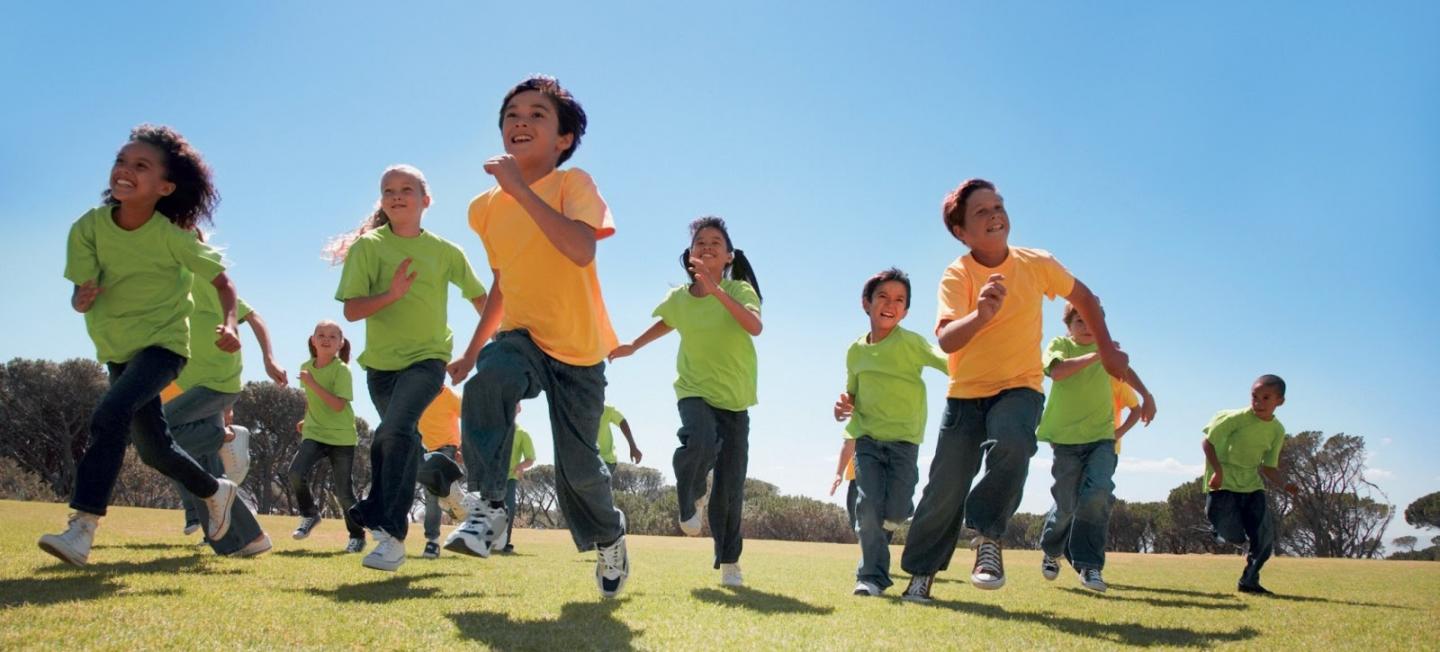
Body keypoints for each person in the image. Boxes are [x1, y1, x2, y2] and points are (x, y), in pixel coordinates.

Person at [900, 178, 1140, 603]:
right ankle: (921, 574)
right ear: (961, 231)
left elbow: (1084, 296)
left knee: (1013, 442)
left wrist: (1105, 347)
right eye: (981, 211)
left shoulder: (1036, 263)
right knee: (945, 487)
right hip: (966, 393)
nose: (995, 215)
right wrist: (981, 314)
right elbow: (948, 340)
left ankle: (988, 539)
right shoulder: (958, 274)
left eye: (999, 206)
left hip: (1020, 386)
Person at [443, 75, 630, 598]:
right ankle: (489, 509)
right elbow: (503, 281)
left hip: (578, 349)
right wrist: (472, 350)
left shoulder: (574, 185)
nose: (521, 120)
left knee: (579, 468)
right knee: (489, 380)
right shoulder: (483, 209)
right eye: (512, 114)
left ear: (563, 139)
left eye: (537, 114)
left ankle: (610, 536)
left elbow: (580, 249)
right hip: (522, 334)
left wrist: (521, 191)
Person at [41, 125, 254, 565]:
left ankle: (82, 527)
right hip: (119, 350)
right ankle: (215, 492)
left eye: (141, 165)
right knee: (155, 449)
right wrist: (79, 297)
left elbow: (223, 282)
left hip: (164, 347)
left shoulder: (171, 237)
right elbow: (83, 290)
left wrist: (231, 323)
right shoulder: (88, 228)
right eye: (122, 161)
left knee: (110, 414)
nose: (125, 171)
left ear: (165, 187)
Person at [330, 164, 489, 571]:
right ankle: (443, 480)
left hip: (428, 359)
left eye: (406, 189)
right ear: (381, 200)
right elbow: (351, 310)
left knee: (393, 431)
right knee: (401, 444)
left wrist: (475, 352)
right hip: (381, 369)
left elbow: (481, 300)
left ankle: (389, 535)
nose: (396, 196)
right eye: (388, 191)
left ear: (426, 200)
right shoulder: (369, 248)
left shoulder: (446, 252)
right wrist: (391, 293)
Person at [610, 216, 762, 587]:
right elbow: (667, 322)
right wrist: (632, 345)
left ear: (728, 256)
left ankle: (729, 562)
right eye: (700, 242)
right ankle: (689, 494)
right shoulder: (678, 298)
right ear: (689, 254)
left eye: (715, 242)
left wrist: (716, 290)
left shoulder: (741, 290)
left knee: (729, 489)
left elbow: (754, 326)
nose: (707, 246)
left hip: (735, 402)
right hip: (694, 390)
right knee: (700, 438)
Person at [161, 238, 285, 557]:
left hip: (216, 383)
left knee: (161, 435)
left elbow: (253, 316)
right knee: (199, 469)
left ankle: (222, 438)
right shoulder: (169, 287)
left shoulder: (203, 279)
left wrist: (269, 359)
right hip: (191, 387)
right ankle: (246, 539)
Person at [832, 268, 947, 596]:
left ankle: (892, 520)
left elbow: (949, 363)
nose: (890, 304)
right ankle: (871, 578)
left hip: (905, 442)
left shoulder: (912, 343)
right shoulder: (855, 351)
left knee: (895, 512)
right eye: (882, 296)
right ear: (866, 303)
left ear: (906, 311)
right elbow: (850, 393)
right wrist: (843, 407)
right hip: (867, 439)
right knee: (868, 508)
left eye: (899, 300)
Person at [1037, 302, 1155, 592]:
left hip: (1101, 438)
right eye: (1080, 321)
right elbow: (1057, 372)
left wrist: (1147, 395)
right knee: (1066, 503)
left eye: (1093, 321)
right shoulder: (1060, 344)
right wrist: (1097, 355)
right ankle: (1052, 549)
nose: (1087, 327)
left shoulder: (1108, 353)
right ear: (1068, 326)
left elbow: (1125, 371)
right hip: (1065, 439)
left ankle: (1089, 566)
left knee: (1098, 495)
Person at [1202, 374, 1298, 595]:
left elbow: (1268, 467)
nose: (1259, 402)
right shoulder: (1234, 419)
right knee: (1232, 535)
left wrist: (1285, 485)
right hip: (1223, 484)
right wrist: (1217, 471)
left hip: (1252, 487)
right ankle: (1218, 530)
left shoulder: (1277, 430)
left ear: (1279, 401)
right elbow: (1207, 443)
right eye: (1255, 396)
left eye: (1266, 398)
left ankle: (1249, 581)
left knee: (1264, 539)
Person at [288, 320, 365, 553]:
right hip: (314, 432)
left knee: (344, 492)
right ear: (313, 340)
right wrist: (306, 417)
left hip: (341, 438)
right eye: (321, 334)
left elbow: (338, 406)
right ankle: (310, 514)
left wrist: (311, 381)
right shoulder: (305, 365)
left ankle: (357, 536)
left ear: (341, 343)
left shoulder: (342, 370)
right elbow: (312, 399)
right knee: (295, 472)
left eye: (333, 336)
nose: (326, 339)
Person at [417, 385, 462, 559]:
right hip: (424, 449)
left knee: (432, 493)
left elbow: (470, 417)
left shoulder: (451, 395)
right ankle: (455, 508)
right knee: (438, 493)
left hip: (446, 447)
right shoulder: (417, 393)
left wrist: (462, 447)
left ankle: (432, 542)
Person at [502, 413, 537, 554]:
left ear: (518, 409)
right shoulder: (493, 429)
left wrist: (521, 466)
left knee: (508, 509)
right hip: (491, 477)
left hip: (510, 478)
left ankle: (504, 542)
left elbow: (530, 458)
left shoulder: (522, 433)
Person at [597, 403, 643, 480]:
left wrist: (633, 446)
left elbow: (622, 421)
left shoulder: (606, 409)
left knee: (596, 483)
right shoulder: (575, 408)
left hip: (606, 460)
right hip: (585, 458)